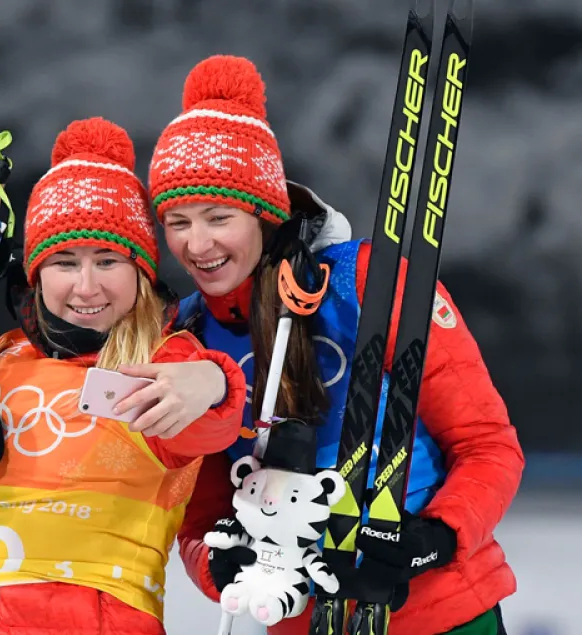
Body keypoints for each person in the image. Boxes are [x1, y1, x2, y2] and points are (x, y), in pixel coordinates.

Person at [145, 55, 524, 635]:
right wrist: (220, 568)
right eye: (177, 221)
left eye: (218, 217)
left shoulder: (365, 281)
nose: (198, 244)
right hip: (301, 616)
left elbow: (486, 444)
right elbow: (200, 511)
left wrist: (435, 538)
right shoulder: (188, 336)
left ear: (265, 213)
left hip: (441, 608)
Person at [0, 117, 249, 634]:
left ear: (140, 272)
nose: (86, 287)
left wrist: (213, 381)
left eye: (108, 261)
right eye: (65, 262)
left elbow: (210, 426)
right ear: (36, 274)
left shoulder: (162, 358)